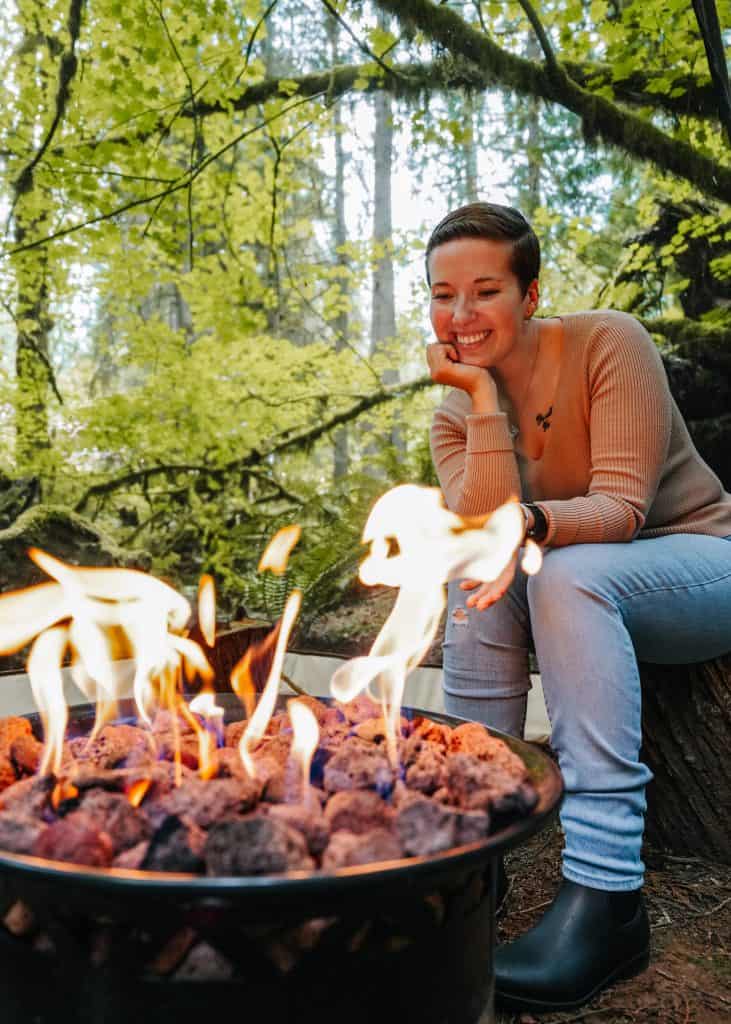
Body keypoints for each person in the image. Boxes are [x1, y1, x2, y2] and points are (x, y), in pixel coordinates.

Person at [425, 201, 731, 1014]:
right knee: (472, 572)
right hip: (584, 577)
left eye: (483, 291)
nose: (459, 316)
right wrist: (483, 405)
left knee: (566, 575)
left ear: (528, 295)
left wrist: (523, 523)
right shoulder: (454, 412)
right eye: (440, 295)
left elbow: (623, 508)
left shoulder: (606, 342)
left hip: (699, 565)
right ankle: (469, 854)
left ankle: (605, 899)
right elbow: (483, 525)